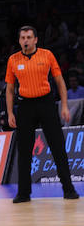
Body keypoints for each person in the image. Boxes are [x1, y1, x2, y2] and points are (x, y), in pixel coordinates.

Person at [5, 25, 80, 203]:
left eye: (29, 37)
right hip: (25, 106)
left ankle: (68, 189)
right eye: (22, 38)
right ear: (19, 40)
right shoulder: (13, 60)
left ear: (36, 39)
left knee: (58, 147)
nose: (26, 41)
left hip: (46, 104)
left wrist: (64, 106)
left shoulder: (47, 55)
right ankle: (23, 193)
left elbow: (60, 81)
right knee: (24, 151)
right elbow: (9, 89)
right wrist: (9, 113)